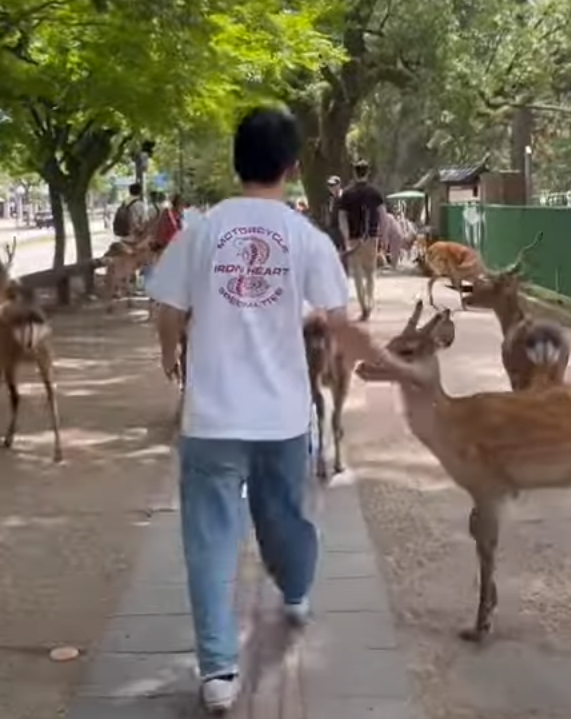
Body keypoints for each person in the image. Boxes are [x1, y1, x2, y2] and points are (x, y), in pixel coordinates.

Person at [145, 106, 390, 715]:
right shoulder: (306, 238)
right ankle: (298, 592)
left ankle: (218, 673)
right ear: (292, 166)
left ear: (236, 162)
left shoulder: (199, 230)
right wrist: (396, 364)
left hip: (211, 418)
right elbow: (338, 326)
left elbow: (167, 310)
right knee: (285, 519)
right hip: (282, 416)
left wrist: (171, 355)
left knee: (208, 541)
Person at [337, 159, 385, 320]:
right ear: (367, 172)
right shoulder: (375, 192)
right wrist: (383, 235)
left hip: (354, 238)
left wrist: (345, 237)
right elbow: (383, 215)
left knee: (357, 273)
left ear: (354, 173)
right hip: (371, 237)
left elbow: (342, 217)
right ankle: (370, 302)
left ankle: (363, 305)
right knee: (370, 272)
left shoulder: (347, 194)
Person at [323, 175, 347, 272]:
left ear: (339, 185)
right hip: (333, 228)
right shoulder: (330, 199)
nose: (331, 188)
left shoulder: (344, 196)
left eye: (333, 185)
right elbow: (329, 212)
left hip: (343, 225)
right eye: (330, 185)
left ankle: (346, 270)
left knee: (345, 248)